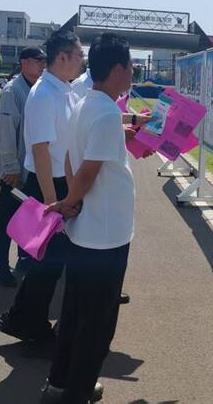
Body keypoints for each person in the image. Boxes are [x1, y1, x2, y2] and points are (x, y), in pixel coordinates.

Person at [39, 33, 147, 404]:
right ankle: (79, 391)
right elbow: (88, 170)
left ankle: (60, 381)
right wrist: (70, 200)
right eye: (130, 67)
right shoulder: (105, 112)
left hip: (88, 229)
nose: (132, 73)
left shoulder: (87, 103)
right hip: (105, 234)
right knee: (98, 322)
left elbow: (72, 159)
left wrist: (72, 201)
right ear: (117, 69)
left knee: (74, 312)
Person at [0, 29, 85, 349]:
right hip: (48, 185)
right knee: (48, 262)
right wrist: (51, 202)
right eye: (79, 55)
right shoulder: (44, 94)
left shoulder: (64, 90)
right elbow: (41, 150)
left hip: (61, 183)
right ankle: (30, 327)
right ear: (63, 57)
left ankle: (20, 317)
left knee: (50, 262)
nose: (82, 61)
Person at [0, 48, 47, 286]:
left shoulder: (37, 88)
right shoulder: (12, 91)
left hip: (31, 168)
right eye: (38, 61)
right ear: (24, 63)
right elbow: (5, 133)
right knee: (6, 217)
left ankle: (23, 257)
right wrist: (10, 168)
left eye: (44, 61)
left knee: (29, 216)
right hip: (14, 170)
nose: (43, 65)